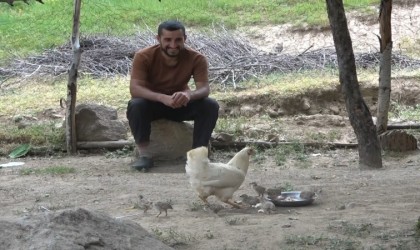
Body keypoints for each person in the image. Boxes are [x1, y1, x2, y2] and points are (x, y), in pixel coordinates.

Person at [126, 20, 219, 171]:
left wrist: (188, 95)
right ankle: (145, 155)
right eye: (168, 40)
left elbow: (204, 89)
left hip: (180, 103)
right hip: (154, 104)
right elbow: (135, 89)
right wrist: (162, 97)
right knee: (136, 105)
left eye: (178, 40)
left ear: (185, 39)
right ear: (158, 39)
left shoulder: (197, 58)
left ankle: (198, 156)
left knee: (210, 105)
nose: (173, 45)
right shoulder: (143, 56)